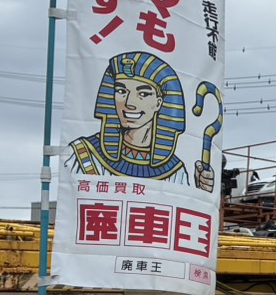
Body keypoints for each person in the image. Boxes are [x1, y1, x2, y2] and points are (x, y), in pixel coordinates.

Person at [68, 51, 214, 191]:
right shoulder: (84, 154)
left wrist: (201, 191)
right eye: (121, 91)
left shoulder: (175, 171)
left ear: (159, 103)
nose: (129, 103)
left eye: (143, 93)